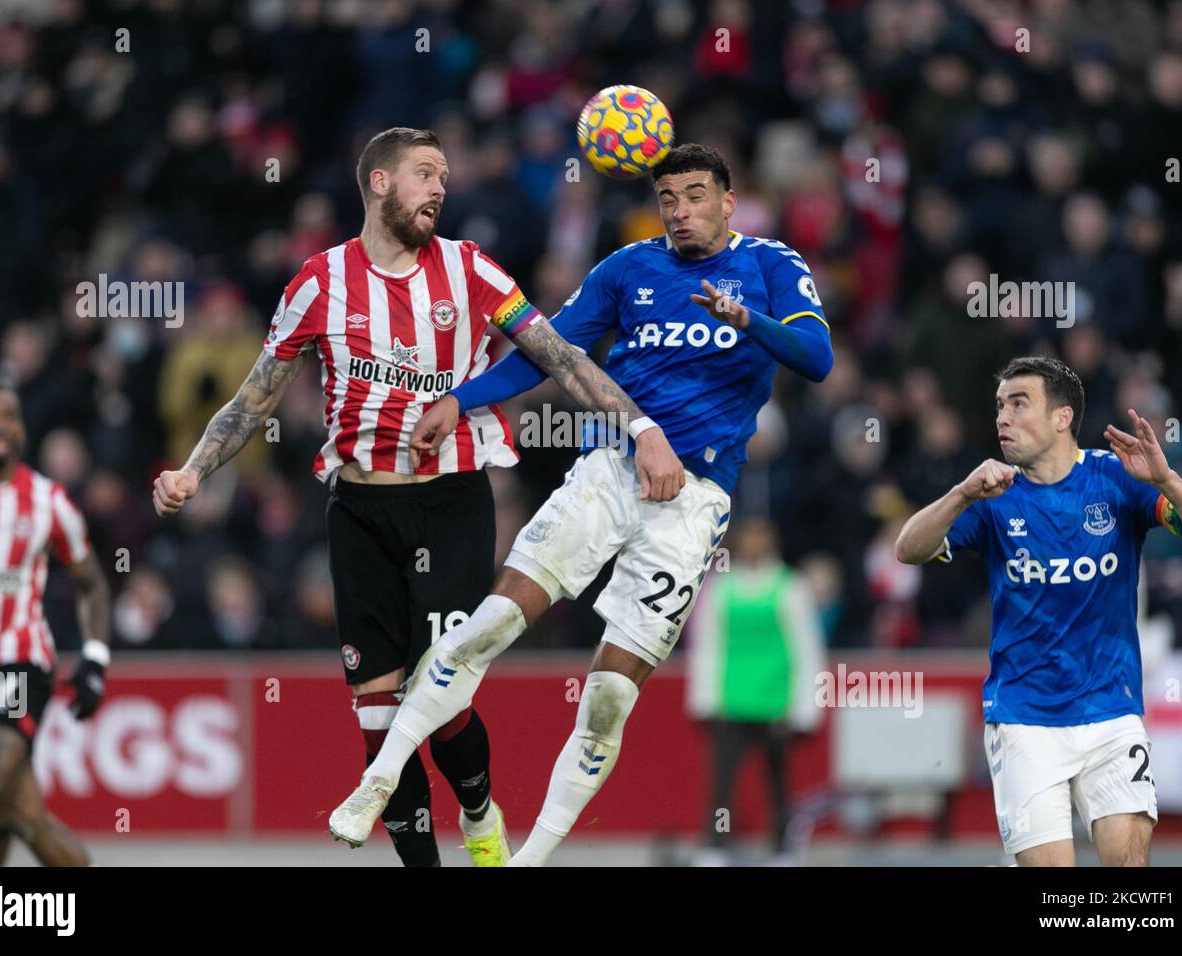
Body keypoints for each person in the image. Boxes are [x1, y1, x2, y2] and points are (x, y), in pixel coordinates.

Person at [152, 127, 680, 867]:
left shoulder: (471, 272)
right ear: (377, 183)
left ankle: (479, 811)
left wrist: (643, 427)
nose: (440, 188)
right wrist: (192, 472)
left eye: (445, 176)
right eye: (425, 174)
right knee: (376, 717)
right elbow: (253, 399)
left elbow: (559, 355)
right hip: (359, 512)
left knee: (441, 699)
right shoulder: (319, 281)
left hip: (449, 502)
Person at [330, 143, 834, 866]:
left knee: (606, 704)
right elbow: (548, 349)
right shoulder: (628, 268)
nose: (681, 211)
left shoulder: (772, 266)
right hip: (611, 471)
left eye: (696, 195)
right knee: (488, 626)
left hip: (693, 506)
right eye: (668, 200)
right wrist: (459, 399)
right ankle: (377, 781)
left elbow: (817, 360)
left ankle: (528, 860)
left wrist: (745, 317)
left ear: (729, 201)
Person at [894, 356, 1182, 866]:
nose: (1002, 417)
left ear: (1062, 417)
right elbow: (908, 549)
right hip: (1025, 720)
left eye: (1019, 403)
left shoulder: (1118, 479)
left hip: (1112, 711)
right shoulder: (991, 495)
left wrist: (1167, 481)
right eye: (1000, 405)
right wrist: (960, 493)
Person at [0, 376, 112, 866]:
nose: (1, 426)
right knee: (16, 815)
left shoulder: (48, 500)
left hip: (21, 659)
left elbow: (92, 582)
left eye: (11, 416)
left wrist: (94, 659)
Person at [685, 516, 825, 864]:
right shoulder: (720, 589)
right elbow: (706, 644)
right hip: (731, 700)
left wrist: (806, 706)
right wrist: (703, 697)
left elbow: (806, 648)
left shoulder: (791, 587)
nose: (754, 545)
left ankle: (781, 848)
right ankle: (715, 846)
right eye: (748, 537)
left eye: (761, 537)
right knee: (722, 782)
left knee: (778, 781)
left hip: (775, 700)